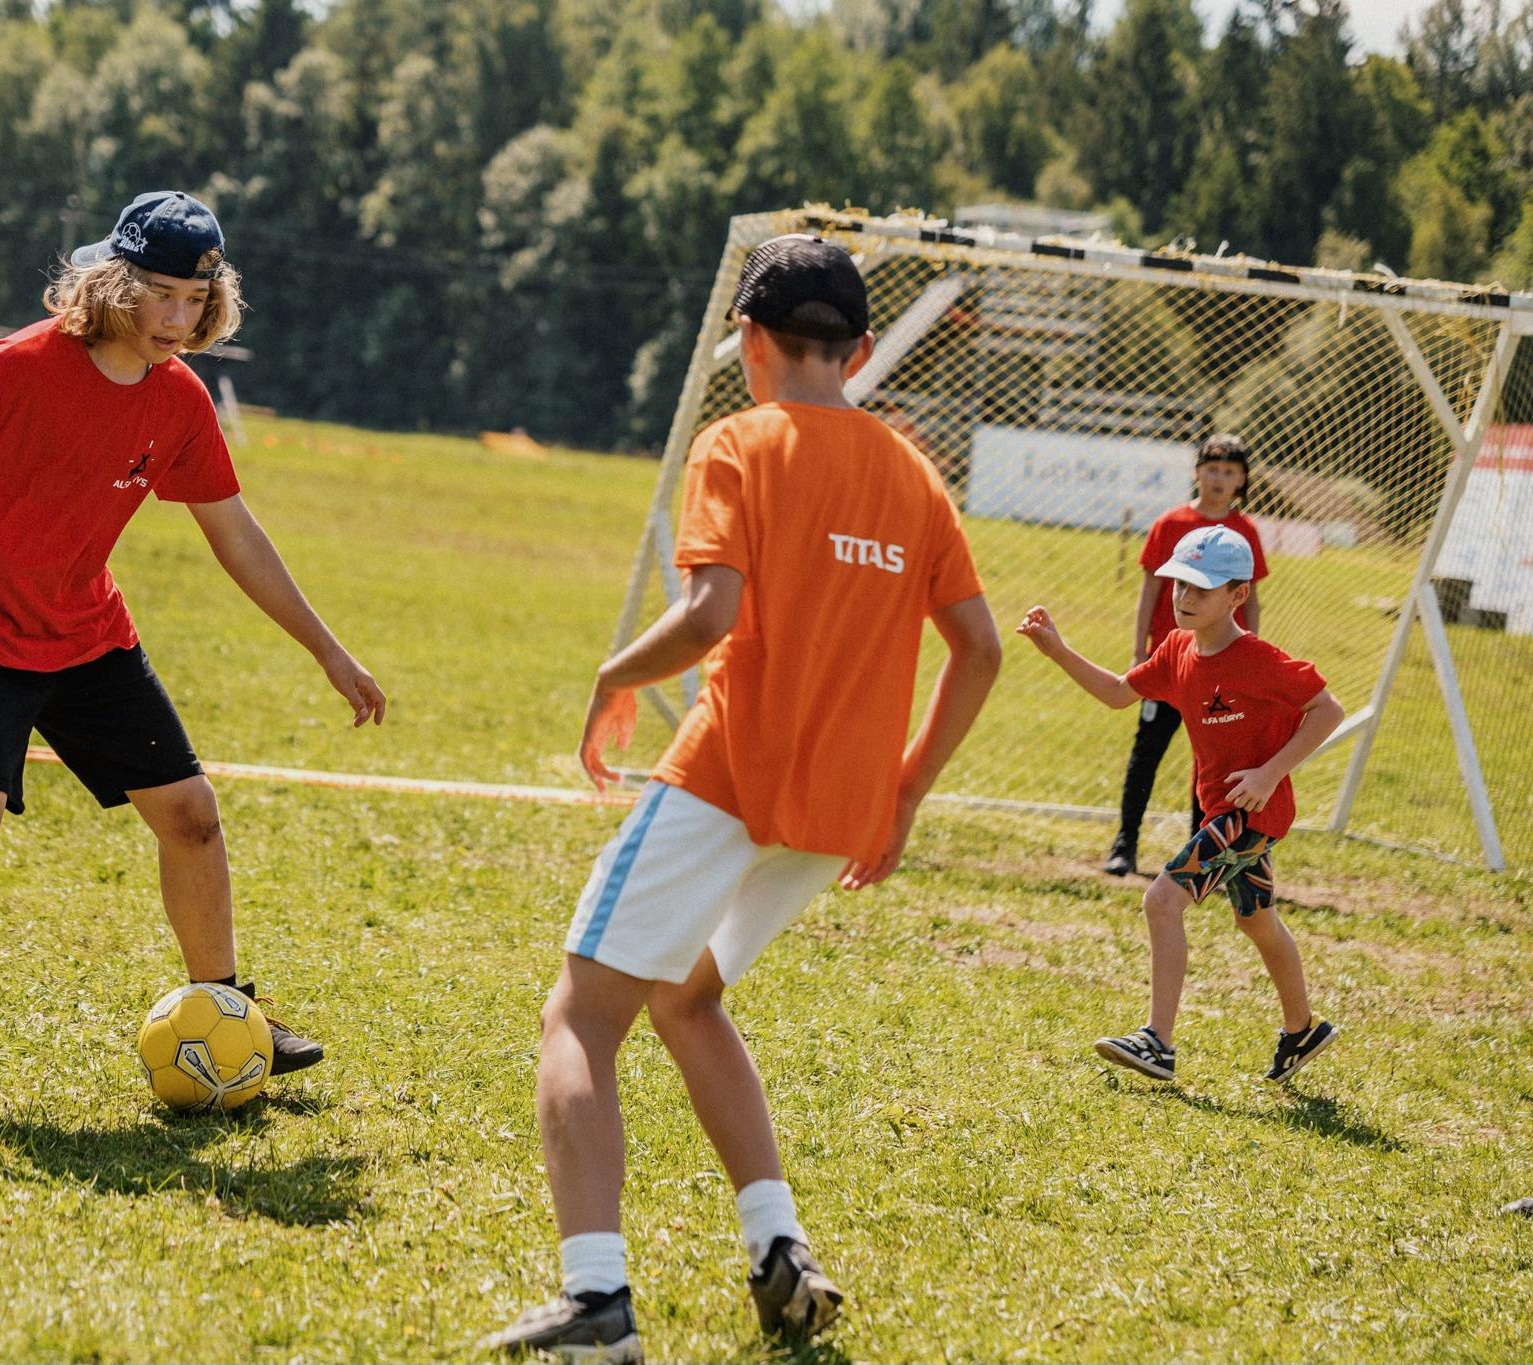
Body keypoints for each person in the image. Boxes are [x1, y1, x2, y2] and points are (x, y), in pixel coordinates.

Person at [482, 236, 1002, 1364]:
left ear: (751, 341)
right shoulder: (913, 472)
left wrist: (613, 675)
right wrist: (905, 791)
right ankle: (779, 1253)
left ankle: (594, 1299)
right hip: (838, 812)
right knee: (688, 998)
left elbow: (710, 613)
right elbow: (979, 647)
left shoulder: (738, 441)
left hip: (729, 775)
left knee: (581, 1017)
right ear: (860, 348)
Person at [0, 190, 385, 1097]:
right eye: (159, 294)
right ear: (114, 284)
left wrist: (327, 649)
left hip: (85, 634)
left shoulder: (180, 400)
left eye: (195, 300)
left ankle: (230, 1011)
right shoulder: (17, 368)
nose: (177, 319)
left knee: (193, 816)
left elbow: (235, 533)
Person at [1017, 524, 1342, 1085]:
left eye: (1201, 588)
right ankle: (1302, 1030)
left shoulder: (1258, 659)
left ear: (1238, 595)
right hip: (1227, 811)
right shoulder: (1176, 648)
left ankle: (1158, 1042)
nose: (1185, 597)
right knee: (1256, 921)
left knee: (1162, 901)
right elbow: (1118, 693)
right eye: (1179, 584)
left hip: (1248, 812)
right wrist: (1058, 651)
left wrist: (1269, 774)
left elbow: (1328, 710)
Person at [1104, 435, 1268, 876]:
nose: (1219, 479)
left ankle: (1203, 853)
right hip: (1169, 664)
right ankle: (1125, 844)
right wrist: (1139, 651)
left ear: (1242, 480)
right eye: (1212, 469)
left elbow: (1251, 600)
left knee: (1212, 764)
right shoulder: (1171, 523)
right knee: (1147, 753)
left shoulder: (1246, 533)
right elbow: (1149, 591)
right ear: (1197, 472)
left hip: (1218, 668)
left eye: (1229, 471)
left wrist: (1248, 657)